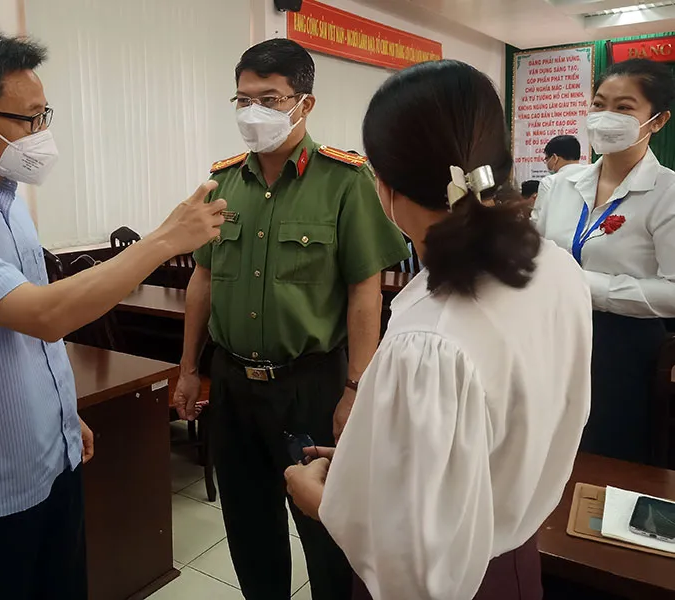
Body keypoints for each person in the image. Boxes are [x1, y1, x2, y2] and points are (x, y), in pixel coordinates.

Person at [0, 26, 226, 600]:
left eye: (44, 114)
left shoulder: (5, 200)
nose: (42, 133)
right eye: (30, 119)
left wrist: (59, 415)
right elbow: (44, 315)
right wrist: (164, 241)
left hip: (50, 458)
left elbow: (29, 337)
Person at [284, 60, 592, 600]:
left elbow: (416, 568)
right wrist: (367, 465)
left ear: (385, 188)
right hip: (517, 561)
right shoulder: (557, 269)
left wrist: (326, 502)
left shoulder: (430, 340)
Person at [173, 39, 409, 600]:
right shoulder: (223, 181)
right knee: (248, 524)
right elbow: (202, 279)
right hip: (233, 382)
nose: (252, 112)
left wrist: (356, 388)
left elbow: (364, 292)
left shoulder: (345, 180)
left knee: (326, 527)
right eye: (242, 99)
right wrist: (187, 368)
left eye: (269, 99)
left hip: (311, 384)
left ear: (305, 103)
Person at [533, 58, 675, 464]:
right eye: (599, 104)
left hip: (620, 347)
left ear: (658, 121)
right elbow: (535, 252)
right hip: (551, 331)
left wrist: (586, 286)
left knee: (604, 456)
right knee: (543, 447)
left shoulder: (667, 193)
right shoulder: (560, 184)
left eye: (624, 107)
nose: (605, 116)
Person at [533, 135, 585, 222]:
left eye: (546, 158)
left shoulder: (549, 182)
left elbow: (538, 219)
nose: (546, 163)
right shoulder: (591, 176)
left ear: (554, 158)